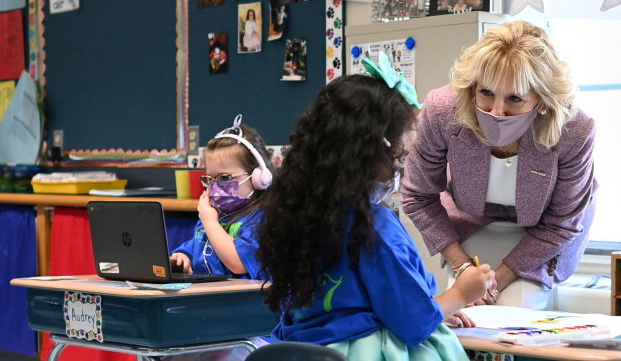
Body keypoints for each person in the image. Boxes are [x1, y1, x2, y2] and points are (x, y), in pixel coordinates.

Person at [256, 64, 495, 359]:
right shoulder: (374, 228)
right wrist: (461, 293)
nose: (401, 171)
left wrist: (437, 306)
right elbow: (415, 322)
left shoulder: (295, 217)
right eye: (400, 158)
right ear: (372, 154)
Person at [401, 21, 597, 310]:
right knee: (464, 315)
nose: (497, 111)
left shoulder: (573, 130)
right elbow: (418, 196)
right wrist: (462, 267)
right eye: (486, 93)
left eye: (515, 98)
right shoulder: (443, 111)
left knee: (516, 312)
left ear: (541, 99)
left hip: (543, 234)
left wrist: (495, 284)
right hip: (470, 224)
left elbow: (562, 222)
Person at [170, 115, 273, 278]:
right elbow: (195, 246)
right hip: (209, 292)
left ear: (259, 177)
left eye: (225, 178)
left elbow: (239, 264)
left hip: (245, 294)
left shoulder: (262, 220)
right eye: (210, 178)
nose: (215, 186)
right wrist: (184, 257)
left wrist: (210, 222)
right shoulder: (215, 214)